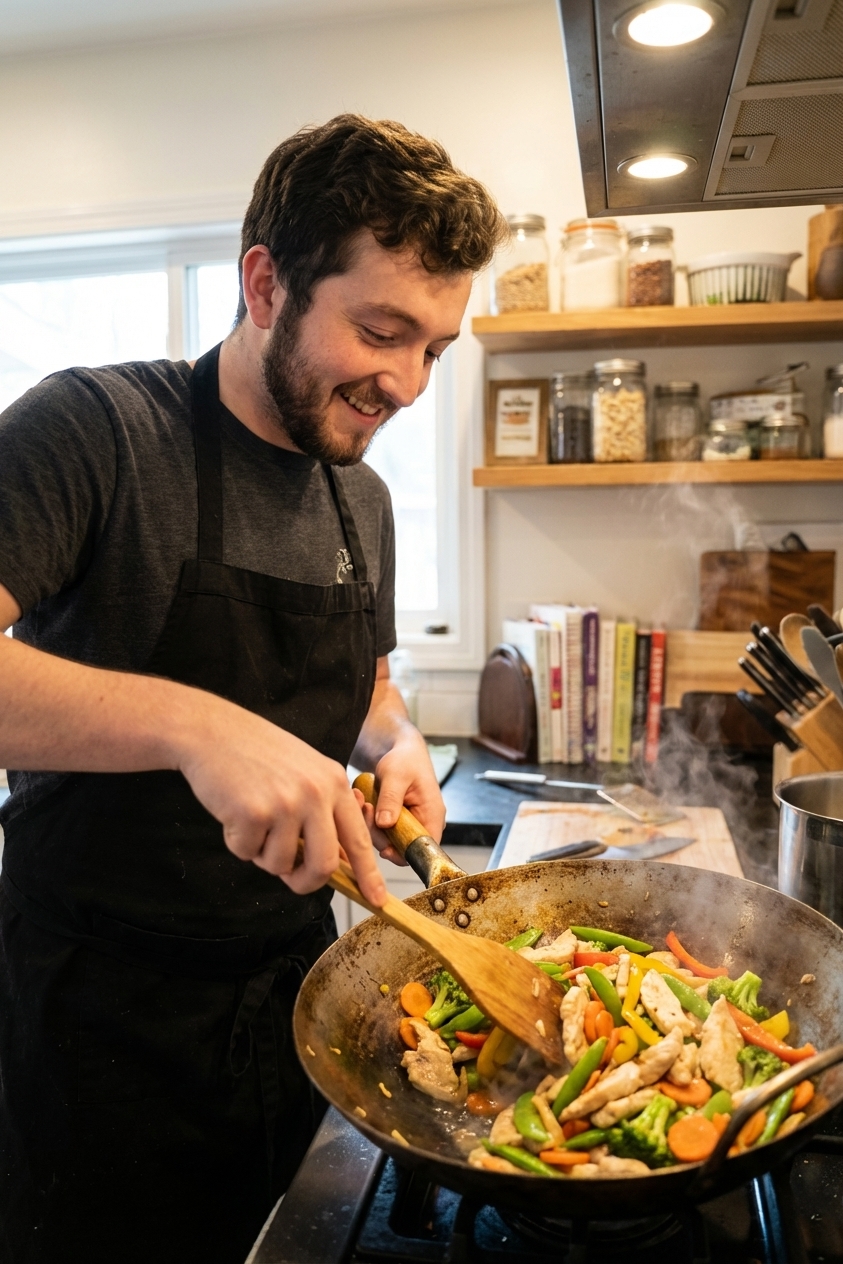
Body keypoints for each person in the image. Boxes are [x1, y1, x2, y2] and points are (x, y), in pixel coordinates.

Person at [0, 114, 506, 1264]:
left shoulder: (356, 495)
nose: (409, 383)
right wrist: (193, 724)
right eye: (383, 331)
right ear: (267, 283)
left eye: (437, 346)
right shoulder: (96, 434)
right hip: (95, 1037)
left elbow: (366, 679)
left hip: (291, 1010)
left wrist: (397, 740)